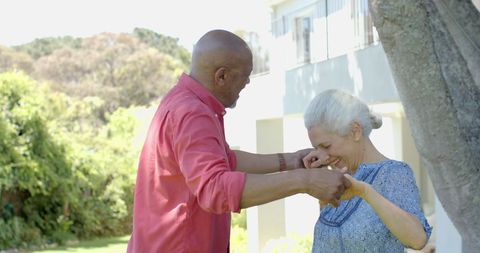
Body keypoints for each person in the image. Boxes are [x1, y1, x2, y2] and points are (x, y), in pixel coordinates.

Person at [126, 30, 350, 253]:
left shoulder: (184, 102)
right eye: (245, 74)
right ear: (221, 76)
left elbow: (226, 160)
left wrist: (292, 160)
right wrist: (306, 181)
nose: (248, 82)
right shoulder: (192, 112)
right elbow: (215, 189)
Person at [302, 89, 432, 253]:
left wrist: (365, 192)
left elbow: (418, 239)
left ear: (355, 131)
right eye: (317, 148)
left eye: (326, 146)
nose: (322, 155)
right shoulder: (339, 179)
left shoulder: (395, 173)